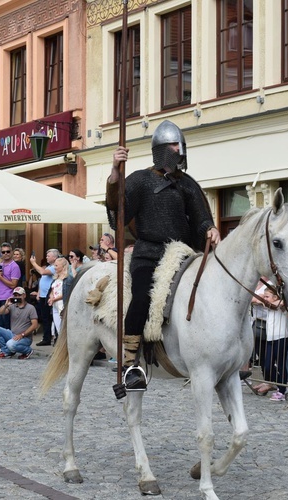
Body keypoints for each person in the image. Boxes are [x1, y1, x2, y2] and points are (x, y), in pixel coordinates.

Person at [106, 120, 219, 393]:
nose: (178, 149)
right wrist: (114, 171)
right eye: (173, 145)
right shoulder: (140, 179)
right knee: (143, 296)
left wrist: (211, 229)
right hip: (149, 253)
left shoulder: (187, 184)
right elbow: (117, 208)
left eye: (179, 145)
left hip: (181, 254)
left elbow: (201, 218)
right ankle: (131, 363)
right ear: (162, 149)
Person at [0, 287, 38, 359]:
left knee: (10, 344)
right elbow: (0, 312)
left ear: (24, 295)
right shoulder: (12, 306)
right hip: (12, 334)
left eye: (19, 295)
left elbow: (35, 325)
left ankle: (28, 350)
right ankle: (7, 351)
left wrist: (22, 334)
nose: (17, 297)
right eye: (15, 295)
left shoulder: (30, 308)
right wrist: (6, 305)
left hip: (25, 338)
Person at [30, 249, 58, 346]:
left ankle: (52, 338)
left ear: (55, 257)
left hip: (50, 296)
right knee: (45, 318)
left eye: (48, 255)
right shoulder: (50, 266)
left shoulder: (56, 266)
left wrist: (34, 263)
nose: (46, 257)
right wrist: (39, 293)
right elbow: (43, 280)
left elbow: (43, 272)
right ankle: (46, 338)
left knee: (52, 318)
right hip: (43, 295)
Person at [0, 243, 20, 330]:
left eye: (8, 251)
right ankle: (1, 344)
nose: (5, 253)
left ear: (11, 252)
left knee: (7, 327)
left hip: (7, 299)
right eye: (3, 252)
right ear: (0, 253)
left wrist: (0, 277)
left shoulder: (14, 266)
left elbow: (13, 285)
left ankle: (8, 344)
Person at [48, 257, 73, 343]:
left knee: (64, 326)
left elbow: (67, 292)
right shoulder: (55, 278)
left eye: (56, 265)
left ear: (63, 266)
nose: (54, 267)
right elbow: (52, 289)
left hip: (62, 303)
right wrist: (51, 297)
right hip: (55, 304)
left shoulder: (68, 278)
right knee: (58, 326)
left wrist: (54, 299)